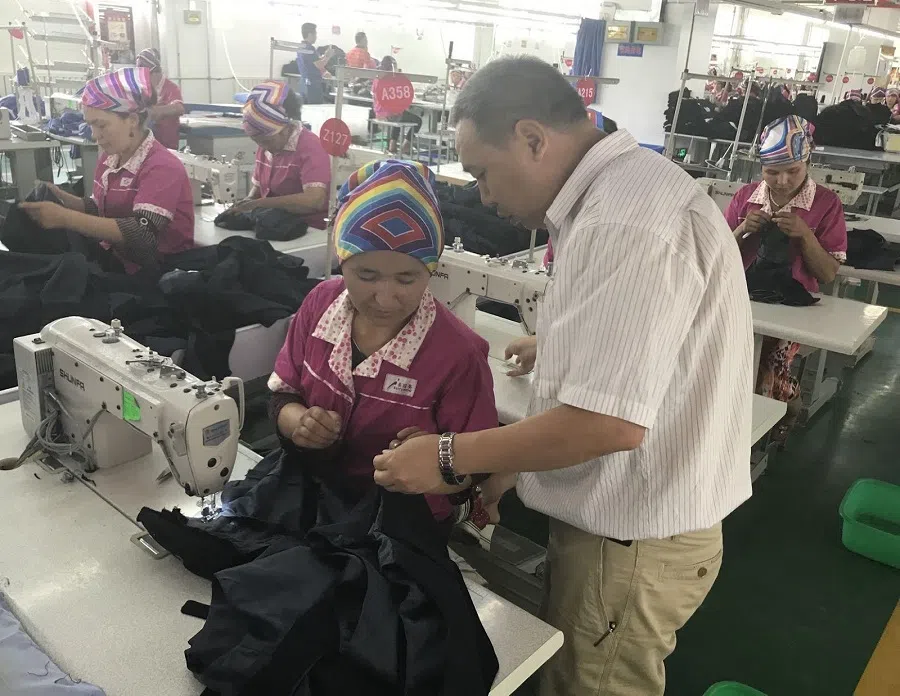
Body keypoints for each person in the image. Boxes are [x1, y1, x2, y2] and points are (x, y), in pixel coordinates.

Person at [370, 56, 753, 696]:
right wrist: (518, 449)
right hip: (634, 527)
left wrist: (448, 455)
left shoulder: (622, 222)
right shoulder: (625, 193)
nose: (485, 197)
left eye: (483, 174)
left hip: (630, 538)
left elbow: (608, 423)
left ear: (531, 138)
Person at [268, 159, 497, 532]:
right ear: (342, 262)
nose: (385, 299)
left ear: (431, 268)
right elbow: (282, 394)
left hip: (400, 526)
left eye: (407, 278)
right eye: (366, 275)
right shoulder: (319, 303)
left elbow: (479, 463)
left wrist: (439, 457)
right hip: (314, 495)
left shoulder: (459, 355)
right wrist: (299, 423)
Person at [725, 115, 846, 433]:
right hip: (743, 298)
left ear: (808, 161)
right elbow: (715, 256)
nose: (781, 181)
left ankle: (767, 426)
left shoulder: (826, 204)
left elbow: (829, 273)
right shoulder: (745, 198)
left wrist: (805, 236)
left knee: (768, 372)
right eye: (771, 172)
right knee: (725, 362)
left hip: (795, 309)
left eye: (792, 171)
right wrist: (740, 231)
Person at [20, 67, 194, 273]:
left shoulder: (162, 167)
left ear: (132, 121)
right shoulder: (110, 158)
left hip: (159, 275)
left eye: (101, 125)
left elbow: (143, 234)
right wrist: (64, 199)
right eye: (91, 126)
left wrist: (64, 217)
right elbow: (101, 209)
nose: (95, 135)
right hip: (118, 263)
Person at [227, 81, 330, 229]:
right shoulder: (266, 146)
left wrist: (257, 205)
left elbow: (314, 200)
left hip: (309, 230)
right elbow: (257, 192)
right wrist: (246, 203)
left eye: (266, 140)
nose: (262, 146)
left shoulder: (311, 147)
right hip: (272, 225)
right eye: (257, 141)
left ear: (285, 128)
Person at [372, 55, 422, 154]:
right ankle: (406, 145)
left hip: (378, 113)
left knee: (400, 114)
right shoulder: (392, 79)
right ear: (391, 67)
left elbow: (374, 96)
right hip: (389, 114)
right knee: (417, 120)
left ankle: (392, 144)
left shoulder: (377, 78)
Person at [135, 47, 184, 150]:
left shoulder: (170, 88)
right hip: (147, 145)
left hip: (167, 145)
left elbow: (179, 108)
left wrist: (154, 111)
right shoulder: (143, 89)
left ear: (155, 72)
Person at [296, 23, 333, 105]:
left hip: (304, 83)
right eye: (315, 34)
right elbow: (319, 65)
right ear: (310, 34)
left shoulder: (301, 46)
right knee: (315, 109)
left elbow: (314, 61)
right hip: (312, 84)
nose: (316, 36)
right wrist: (328, 57)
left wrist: (325, 56)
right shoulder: (309, 48)